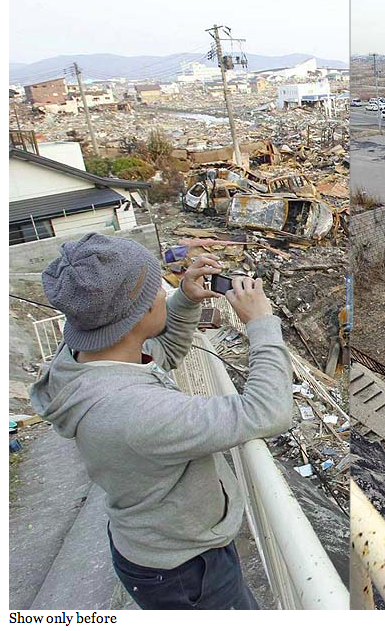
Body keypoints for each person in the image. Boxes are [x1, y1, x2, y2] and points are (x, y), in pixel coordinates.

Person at [30, 233, 293, 610]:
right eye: (157, 287)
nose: (163, 291)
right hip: (185, 572)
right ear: (136, 314)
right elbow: (268, 411)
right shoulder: (134, 412)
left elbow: (161, 351)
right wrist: (262, 323)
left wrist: (184, 300)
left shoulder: (83, 358)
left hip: (160, 548)